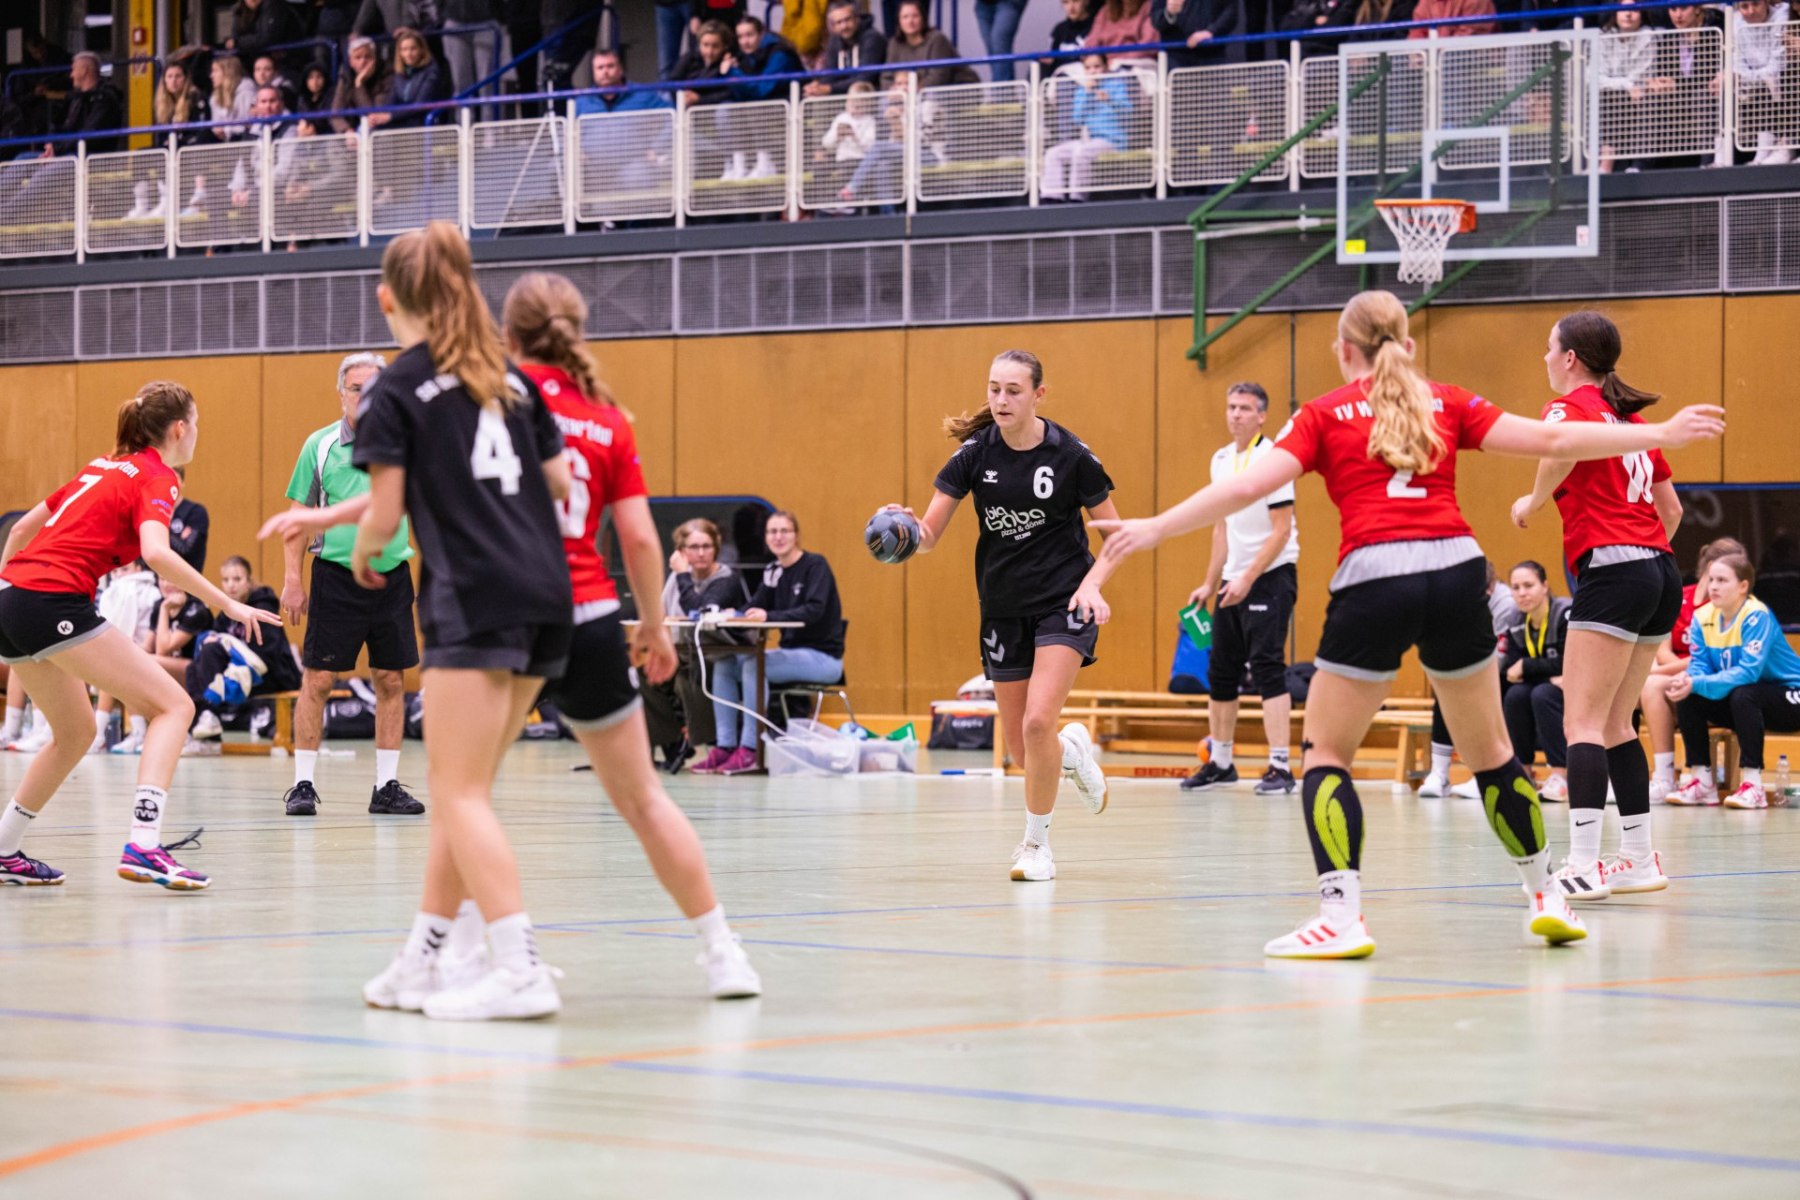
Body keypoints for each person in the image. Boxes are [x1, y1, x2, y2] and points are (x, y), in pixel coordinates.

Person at [1093, 290, 1724, 958]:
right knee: (1493, 754)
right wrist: (1659, 434)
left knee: (1326, 754)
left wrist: (1156, 527)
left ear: (1343, 350)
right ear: (1410, 347)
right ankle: (1547, 894)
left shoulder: (1323, 413)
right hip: (1457, 571)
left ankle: (1341, 916)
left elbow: (1247, 487)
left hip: (1376, 576)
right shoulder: (1446, 401)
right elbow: (1554, 439)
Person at [503, 271, 762, 998]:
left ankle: (482, 957)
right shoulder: (607, 418)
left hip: (513, 613)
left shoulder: (496, 399)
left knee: (463, 797)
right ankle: (723, 951)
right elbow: (642, 540)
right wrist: (653, 626)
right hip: (590, 613)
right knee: (645, 799)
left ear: (509, 334)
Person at [348, 222, 573, 1021]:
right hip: (547, 597)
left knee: (459, 792)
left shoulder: (395, 389)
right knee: (462, 789)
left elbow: (383, 516)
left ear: (388, 299)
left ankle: (519, 967)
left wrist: (366, 552)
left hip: (474, 598)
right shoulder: (508, 377)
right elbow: (559, 484)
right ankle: (422, 961)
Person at [0, 381, 280, 889]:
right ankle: (144, 846)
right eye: (197, 424)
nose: (198, 433)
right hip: (51, 600)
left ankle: (3, 849)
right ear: (180, 429)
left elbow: (19, 531)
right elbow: (155, 552)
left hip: (10, 597)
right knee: (175, 707)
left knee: (76, 733)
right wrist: (227, 602)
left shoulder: (101, 466)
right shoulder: (159, 475)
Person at [880, 350, 1120, 881]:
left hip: (1064, 601)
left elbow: (1116, 536)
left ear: (1039, 394)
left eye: (1013, 390)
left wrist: (1092, 585)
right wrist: (905, 528)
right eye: (994, 389)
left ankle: (1036, 847)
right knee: (1024, 751)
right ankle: (1072, 752)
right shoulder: (974, 455)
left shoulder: (1071, 455)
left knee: (1037, 722)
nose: (1001, 400)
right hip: (1002, 608)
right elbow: (929, 536)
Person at [1510, 310, 1685, 901]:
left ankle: (1583, 865)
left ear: (1570, 358)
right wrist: (1643, 556)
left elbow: (1557, 450)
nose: (1544, 358)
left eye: (1548, 348)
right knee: (1615, 723)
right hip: (1660, 569)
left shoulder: (1569, 409)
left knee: (1581, 722)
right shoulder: (1630, 421)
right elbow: (1672, 511)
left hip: (1614, 569)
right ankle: (1637, 859)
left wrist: (1533, 501)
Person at [258, 351, 424, 819]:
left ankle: (385, 787)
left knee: (391, 679)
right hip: (334, 579)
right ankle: (302, 785)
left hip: (392, 577)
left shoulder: (405, 445)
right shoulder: (321, 445)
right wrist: (293, 581)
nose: (365, 397)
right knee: (318, 679)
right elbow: (297, 519)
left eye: (375, 389)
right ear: (341, 394)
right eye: (356, 389)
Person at [1180, 382, 1301, 796]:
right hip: (1232, 581)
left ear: (1261, 416)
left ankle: (1280, 767)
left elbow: (1281, 530)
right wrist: (1209, 583)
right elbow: (1221, 528)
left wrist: (1248, 577)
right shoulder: (1220, 460)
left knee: (1266, 667)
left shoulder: (1274, 460)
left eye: (1245, 408)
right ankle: (1221, 762)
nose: (1236, 414)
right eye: (1231, 406)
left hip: (1270, 576)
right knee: (1221, 670)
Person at [694, 511, 847, 775]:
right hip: (790, 656)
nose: (778, 537)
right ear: (765, 538)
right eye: (772, 532)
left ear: (796, 535)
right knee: (724, 665)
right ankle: (725, 746)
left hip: (823, 659)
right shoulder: (773, 571)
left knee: (754, 665)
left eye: (784, 531)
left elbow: (814, 610)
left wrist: (770, 616)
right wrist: (734, 614)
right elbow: (756, 605)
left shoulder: (815, 566)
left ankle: (751, 749)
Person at [1668, 554, 1800, 808]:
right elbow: (1700, 666)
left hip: (1790, 696)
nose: (1714, 586)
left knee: (1744, 693)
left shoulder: (1756, 616)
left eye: (1722, 580)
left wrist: (1697, 682)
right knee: (1689, 693)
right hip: (1750, 700)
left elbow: (1748, 672)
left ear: (1743, 586)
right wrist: (1689, 679)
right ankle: (1702, 782)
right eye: (1711, 580)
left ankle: (1753, 785)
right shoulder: (1702, 617)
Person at [1642, 537, 1744, 803]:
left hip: (1707, 676)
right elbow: (1662, 650)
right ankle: (1621, 776)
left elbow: (1705, 658)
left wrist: (1655, 674)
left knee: (1651, 684)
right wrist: (1661, 671)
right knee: (1627, 690)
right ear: (1711, 567)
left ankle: (1666, 777)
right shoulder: (1680, 597)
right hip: (1672, 673)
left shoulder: (1726, 605)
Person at [645, 519, 748, 769]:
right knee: (643, 672)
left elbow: (698, 610)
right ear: (681, 551)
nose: (701, 553)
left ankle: (709, 740)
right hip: (681, 651)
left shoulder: (726, 579)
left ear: (716, 549)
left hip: (720, 655)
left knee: (687, 678)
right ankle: (670, 740)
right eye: (693, 547)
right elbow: (661, 614)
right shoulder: (675, 579)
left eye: (706, 546)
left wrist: (682, 574)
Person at [1417, 558, 1518, 798]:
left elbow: (1501, 655)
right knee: (1445, 691)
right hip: (1475, 662)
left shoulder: (1505, 604)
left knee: (1484, 696)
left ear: (1490, 587)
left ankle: (1485, 773)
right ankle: (1439, 774)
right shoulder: (1456, 599)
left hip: (1506, 671)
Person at [183, 556, 301, 753]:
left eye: (237, 579)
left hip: (273, 675)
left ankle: (208, 716)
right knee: (193, 667)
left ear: (249, 581)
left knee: (212, 649)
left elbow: (265, 656)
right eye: (226, 580)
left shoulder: (263, 608)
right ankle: (205, 723)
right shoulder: (227, 612)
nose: (231, 585)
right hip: (242, 674)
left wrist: (225, 645)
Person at [1498, 561, 1573, 800]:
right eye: (1516, 587)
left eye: (1528, 585)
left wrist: (1527, 667)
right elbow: (1511, 669)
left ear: (1545, 586)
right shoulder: (1515, 620)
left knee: (1543, 694)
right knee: (1516, 695)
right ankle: (1523, 773)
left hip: (1576, 686)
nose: (1522, 593)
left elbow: (1569, 661)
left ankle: (1560, 775)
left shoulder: (1564, 614)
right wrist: (1541, 671)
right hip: (1546, 685)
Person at [1041, 53, 1133, 203]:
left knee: (1081, 152)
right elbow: (1077, 119)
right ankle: (1052, 197)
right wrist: (1087, 94)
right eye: (1088, 68)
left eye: (1097, 66)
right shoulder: (1082, 90)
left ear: (1106, 67)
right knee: (1053, 153)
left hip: (1113, 141)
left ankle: (1077, 198)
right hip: (1090, 140)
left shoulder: (1116, 85)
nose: (1093, 71)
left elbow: (1128, 112)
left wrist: (1110, 99)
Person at [880, 0, 975, 90]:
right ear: (899, 21)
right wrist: (893, 90)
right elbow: (886, 77)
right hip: (914, 95)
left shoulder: (937, 39)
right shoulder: (894, 44)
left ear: (923, 18)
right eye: (905, 17)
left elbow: (939, 77)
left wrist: (911, 90)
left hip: (959, 91)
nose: (910, 21)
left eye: (915, 16)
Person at [804, 0, 888, 96]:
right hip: (842, 97)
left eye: (847, 20)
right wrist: (818, 86)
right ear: (833, 26)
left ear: (857, 18)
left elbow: (865, 77)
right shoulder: (834, 41)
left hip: (872, 95)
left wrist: (829, 88)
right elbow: (830, 74)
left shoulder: (873, 38)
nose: (844, 26)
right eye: (839, 22)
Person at [386, 28, 451, 127]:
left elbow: (420, 106)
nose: (408, 54)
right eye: (404, 50)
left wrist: (391, 117)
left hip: (423, 123)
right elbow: (390, 104)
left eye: (413, 49)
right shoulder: (399, 75)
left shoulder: (431, 72)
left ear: (421, 50)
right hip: (402, 122)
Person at [1152, 0, 1241, 69]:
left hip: (1213, 56)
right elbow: (1156, 20)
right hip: (1177, 58)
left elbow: (1231, 11)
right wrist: (1169, 13)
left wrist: (1211, 31)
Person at [332, 36, 393, 135]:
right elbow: (335, 114)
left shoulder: (386, 75)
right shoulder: (346, 76)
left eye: (367, 57)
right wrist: (347, 131)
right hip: (353, 130)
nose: (363, 61)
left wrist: (359, 85)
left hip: (379, 131)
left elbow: (373, 114)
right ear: (351, 62)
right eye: (358, 57)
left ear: (375, 58)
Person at [976, 0, 1031, 83]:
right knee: (993, 53)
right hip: (983, 4)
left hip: (1009, 2)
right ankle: (1001, 88)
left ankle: (1002, 89)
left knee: (999, 46)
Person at [211, 54, 259, 141]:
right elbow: (216, 125)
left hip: (245, 139)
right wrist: (218, 131)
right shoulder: (215, 96)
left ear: (228, 72)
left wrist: (225, 130)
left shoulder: (245, 90)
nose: (211, 76)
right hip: (225, 141)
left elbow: (247, 124)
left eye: (215, 71)